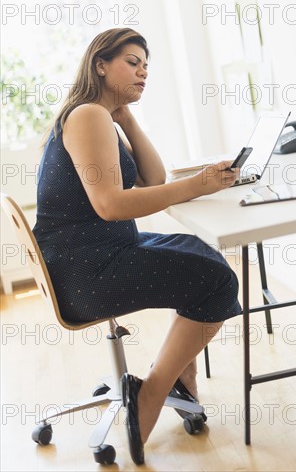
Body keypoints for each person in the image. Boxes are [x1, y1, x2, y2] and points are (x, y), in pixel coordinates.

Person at [33, 28, 242, 465]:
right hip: (86, 271)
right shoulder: (88, 115)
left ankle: (181, 380)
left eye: (146, 64)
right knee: (218, 280)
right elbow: (110, 205)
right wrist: (198, 185)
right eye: (133, 61)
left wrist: (126, 116)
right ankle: (151, 394)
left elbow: (153, 179)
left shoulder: (101, 116)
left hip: (93, 253)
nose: (144, 70)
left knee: (199, 252)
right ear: (100, 65)